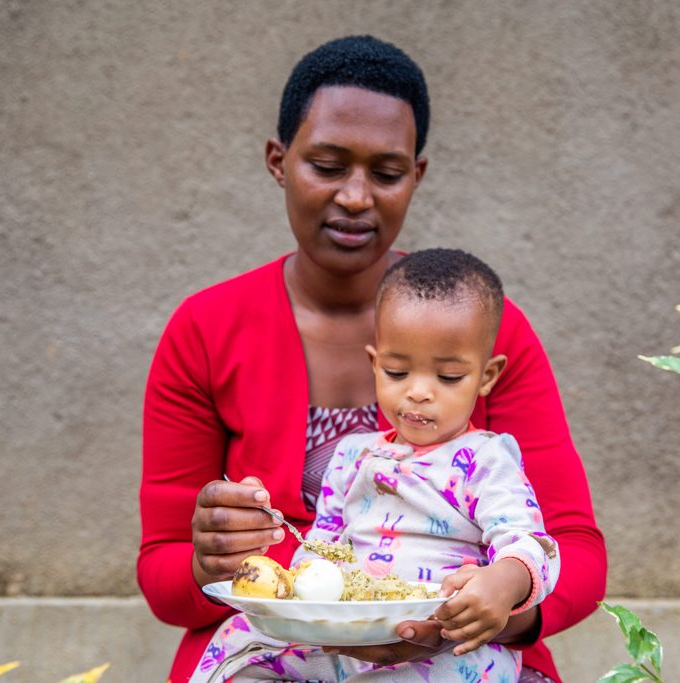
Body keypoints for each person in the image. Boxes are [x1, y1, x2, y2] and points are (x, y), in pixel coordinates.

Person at [138, 34, 606, 683]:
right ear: (279, 161)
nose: (357, 197)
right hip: (285, 653)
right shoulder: (206, 329)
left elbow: (575, 546)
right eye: (327, 166)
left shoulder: (483, 328)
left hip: (458, 651)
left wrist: (495, 608)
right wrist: (207, 558)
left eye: (386, 174)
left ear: (416, 175)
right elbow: (163, 577)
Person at [193, 249, 563, 682]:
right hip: (348, 628)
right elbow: (324, 539)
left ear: (487, 376)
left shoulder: (485, 459)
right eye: (396, 372)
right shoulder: (353, 454)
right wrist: (299, 590)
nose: (419, 393)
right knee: (241, 647)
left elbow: (531, 542)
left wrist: (503, 584)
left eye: (447, 377)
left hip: (442, 640)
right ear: (374, 364)